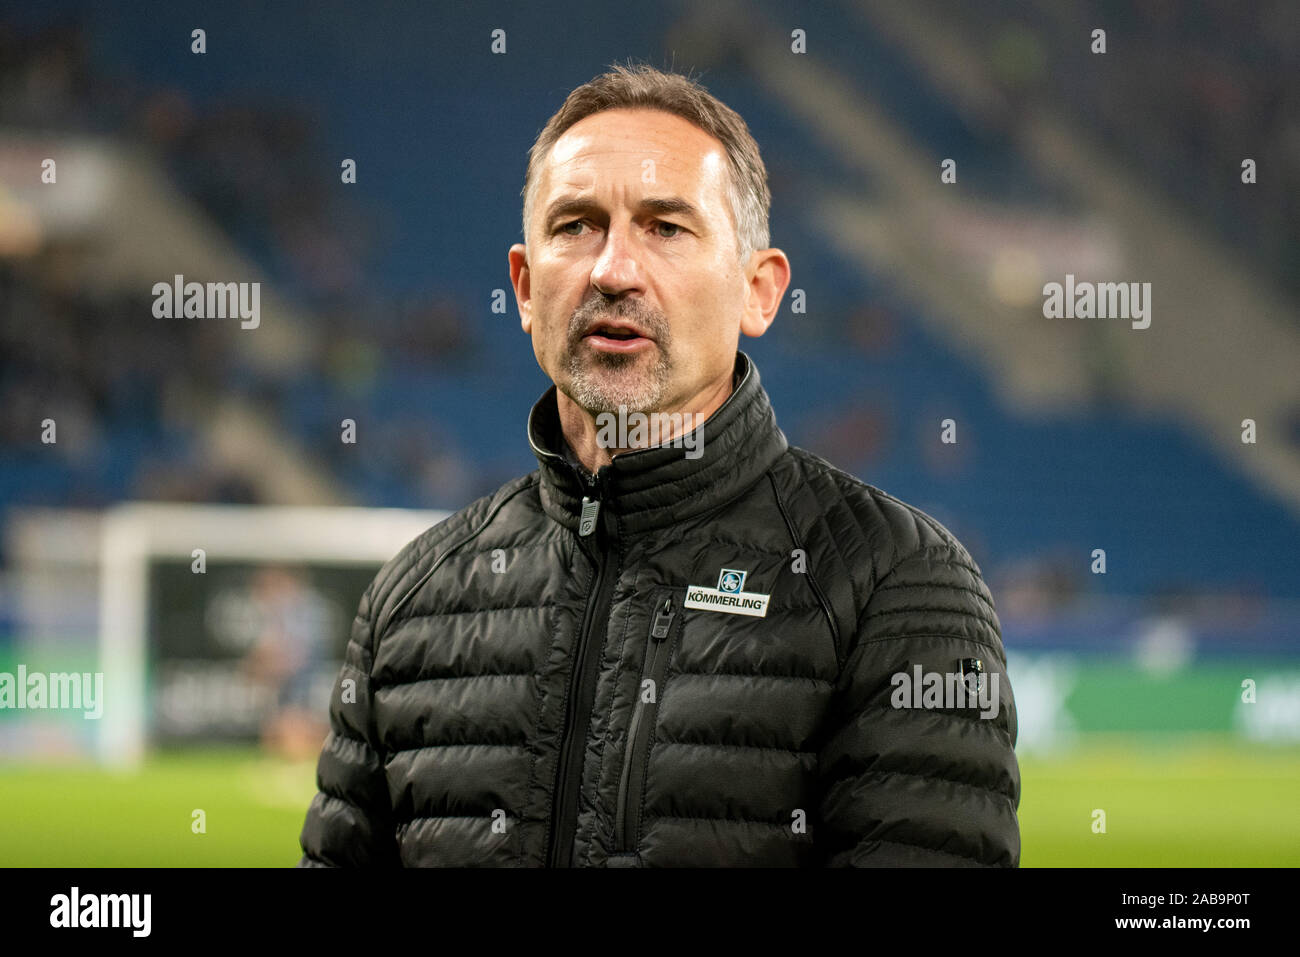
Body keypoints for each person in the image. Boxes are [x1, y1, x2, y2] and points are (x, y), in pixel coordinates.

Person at [298, 63, 1020, 867]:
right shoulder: (412, 601)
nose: (613, 270)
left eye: (666, 228)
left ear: (759, 289)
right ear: (526, 289)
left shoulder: (897, 586)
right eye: (575, 225)